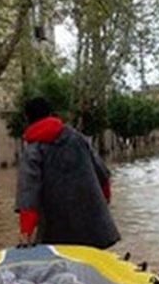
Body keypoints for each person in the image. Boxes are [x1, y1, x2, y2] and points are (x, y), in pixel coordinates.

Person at [16, 97, 120, 249]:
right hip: (95, 228)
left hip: (58, 234)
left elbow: (28, 195)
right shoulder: (77, 138)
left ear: (27, 119)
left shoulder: (33, 150)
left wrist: (25, 233)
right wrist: (104, 204)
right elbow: (103, 174)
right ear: (51, 113)